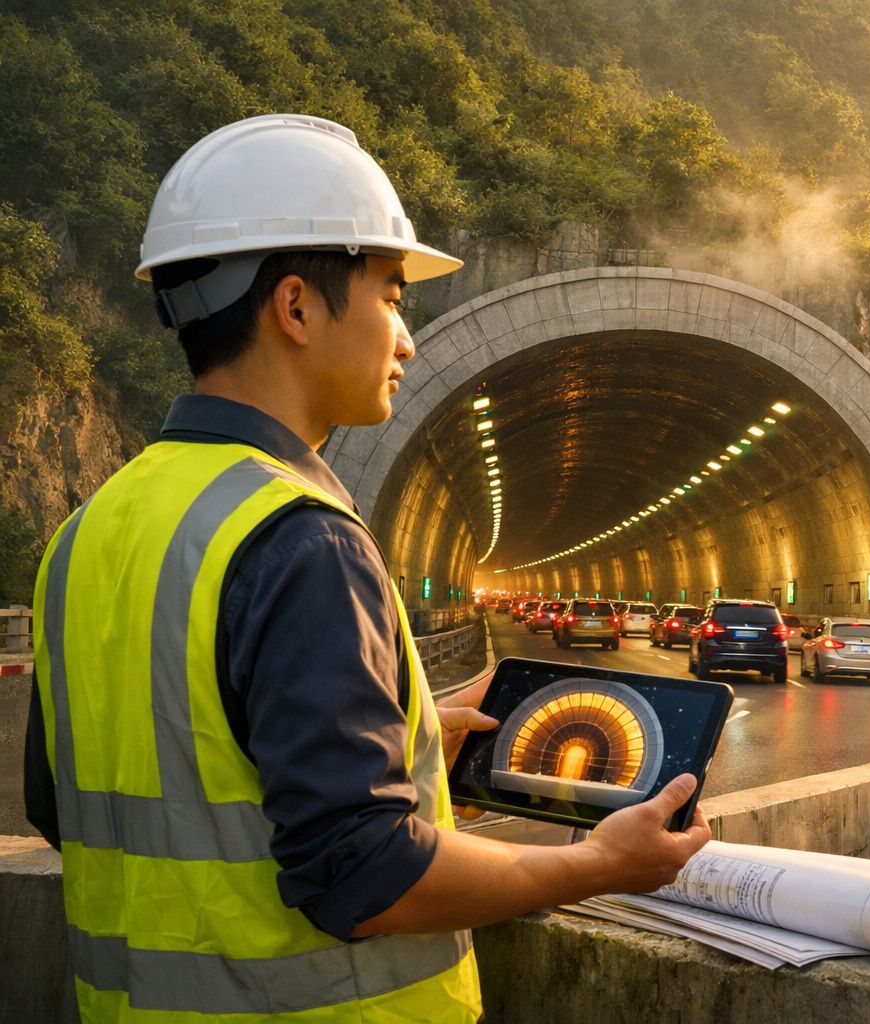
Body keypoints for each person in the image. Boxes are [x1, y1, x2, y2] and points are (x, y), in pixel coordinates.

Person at [23, 114, 710, 1022]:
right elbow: (363, 873)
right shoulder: (300, 538)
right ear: (297, 307)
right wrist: (597, 865)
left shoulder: (88, 532)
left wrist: (410, 730)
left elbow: (69, 802)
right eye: (391, 294)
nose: (408, 337)